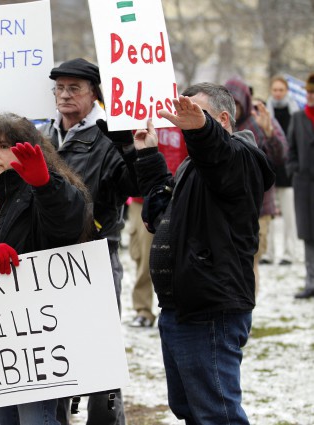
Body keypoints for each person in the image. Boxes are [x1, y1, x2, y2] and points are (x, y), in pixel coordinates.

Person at [134, 83, 275, 424]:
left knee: (217, 414)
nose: (185, 121)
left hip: (210, 309)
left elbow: (220, 156)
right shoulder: (191, 166)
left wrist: (201, 130)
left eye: (196, 113)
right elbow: (162, 215)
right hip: (180, 308)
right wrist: (148, 155)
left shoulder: (242, 157)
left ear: (223, 119)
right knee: (190, 410)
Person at [0, 112, 91, 425]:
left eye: (3, 146)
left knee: (35, 419)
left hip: (41, 332)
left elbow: (66, 227)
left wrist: (45, 186)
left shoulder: (47, 189)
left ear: (27, 149)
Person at [42, 57, 139, 425]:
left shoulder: (108, 134)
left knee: (100, 353)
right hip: (46, 262)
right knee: (52, 349)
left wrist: (131, 149)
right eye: (60, 88)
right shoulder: (43, 135)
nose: (64, 95)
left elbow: (135, 187)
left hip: (94, 257)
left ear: (93, 93)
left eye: (74, 88)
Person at [224, 77, 287, 294]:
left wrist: (269, 133)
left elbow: (281, 157)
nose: (233, 109)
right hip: (228, 207)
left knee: (250, 262)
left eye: (237, 103)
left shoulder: (259, 121)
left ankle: (245, 314)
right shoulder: (222, 123)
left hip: (259, 207)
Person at [128, 127, 187, 328]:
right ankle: (143, 309)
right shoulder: (138, 118)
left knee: (180, 255)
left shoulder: (183, 117)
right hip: (143, 198)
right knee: (144, 259)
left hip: (179, 196)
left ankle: (181, 306)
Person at [264, 75, 300, 266]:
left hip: (288, 171)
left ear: (286, 91)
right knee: (267, 214)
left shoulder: (294, 112)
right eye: (275, 89)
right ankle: (268, 252)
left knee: (289, 214)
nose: (278, 93)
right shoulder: (264, 112)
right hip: (269, 168)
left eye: (281, 90)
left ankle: (289, 251)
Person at [287, 73, 314, 299]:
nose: (310, 96)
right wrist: (295, 168)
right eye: (308, 93)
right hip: (304, 185)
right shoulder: (297, 118)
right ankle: (310, 281)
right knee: (308, 235)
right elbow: (291, 149)